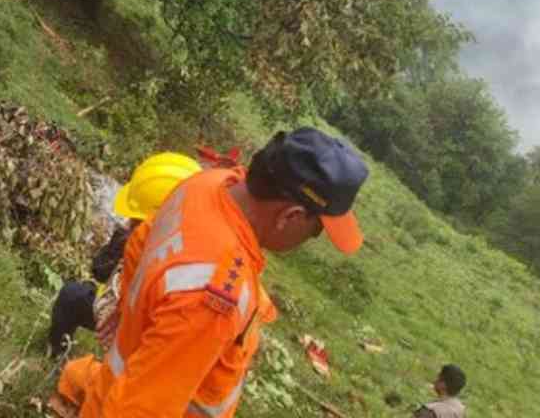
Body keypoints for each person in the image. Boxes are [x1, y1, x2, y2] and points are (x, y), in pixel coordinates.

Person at [53, 128, 369, 418]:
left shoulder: (208, 184)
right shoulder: (215, 298)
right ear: (292, 216)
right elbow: (138, 410)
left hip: (123, 378)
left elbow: (139, 245)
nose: (309, 241)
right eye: (316, 232)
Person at [48, 153, 203, 357]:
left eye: (134, 219)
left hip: (142, 335)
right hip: (170, 343)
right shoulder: (199, 248)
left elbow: (100, 270)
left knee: (71, 296)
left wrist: (122, 240)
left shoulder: (145, 249)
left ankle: (56, 354)